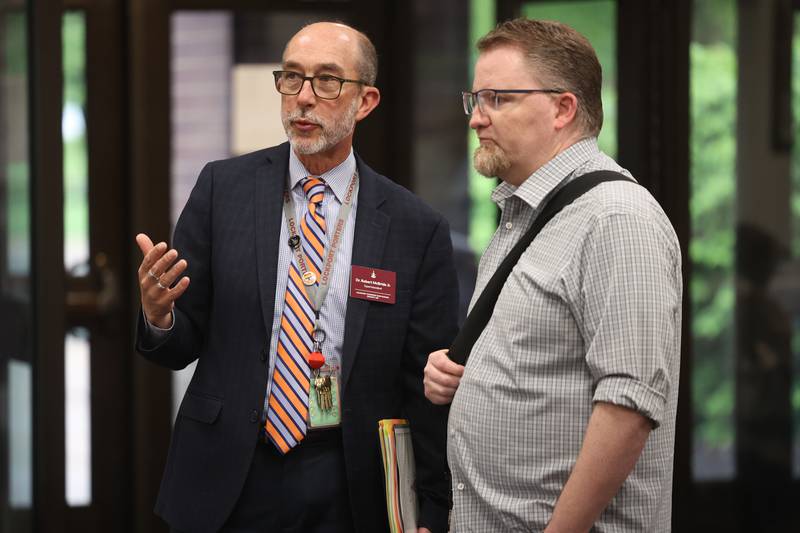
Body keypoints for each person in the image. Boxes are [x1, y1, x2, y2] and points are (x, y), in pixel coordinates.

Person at [135, 21, 457, 533]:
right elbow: (179, 346)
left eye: (327, 81)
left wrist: (434, 506)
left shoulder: (415, 228)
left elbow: (427, 384)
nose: (303, 98)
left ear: (366, 101)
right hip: (229, 469)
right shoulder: (223, 189)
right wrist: (160, 315)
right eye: (292, 78)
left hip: (349, 478)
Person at [424, 18, 682, 532]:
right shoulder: (525, 214)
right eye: (474, 99)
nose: (477, 118)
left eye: (498, 98)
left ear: (563, 108)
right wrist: (467, 375)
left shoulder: (617, 219)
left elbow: (628, 409)